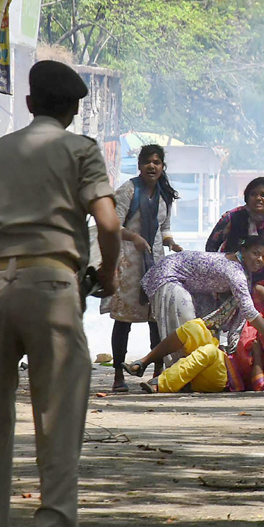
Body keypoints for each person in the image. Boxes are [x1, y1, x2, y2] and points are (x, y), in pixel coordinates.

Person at [0, 59, 121, 527]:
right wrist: (108, 274)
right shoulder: (80, 150)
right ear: (74, 109)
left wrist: (1, 248)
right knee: (58, 419)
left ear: (27, 104)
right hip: (53, 286)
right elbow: (108, 222)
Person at [104, 144, 183, 392]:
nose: (152, 166)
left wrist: (171, 241)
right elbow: (112, 225)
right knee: (123, 320)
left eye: (157, 162)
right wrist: (134, 237)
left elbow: (165, 226)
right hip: (128, 263)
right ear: (139, 165)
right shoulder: (128, 190)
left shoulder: (164, 194)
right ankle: (119, 375)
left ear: (162, 167)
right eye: (148, 161)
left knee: (156, 319)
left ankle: (158, 372)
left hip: (155, 262)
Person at [141, 236, 264, 353]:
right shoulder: (235, 272)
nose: (260, 259)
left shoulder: (242, 269)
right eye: (256, 253)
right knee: (187, 327)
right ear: (243, 251)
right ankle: (172, 373)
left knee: (198, 329)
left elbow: (249, 298)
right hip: (167, 274)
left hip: (186, 283)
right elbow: (249, 311)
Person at [126, 310, 264, 393]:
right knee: (194, 327)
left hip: (226, 379)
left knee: (210, 352)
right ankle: (144, 362)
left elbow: (259, 384)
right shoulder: (263, 325)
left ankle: (161, 384)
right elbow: (258, 289)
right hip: (223, 358)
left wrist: (257, 354)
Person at [206, 177, 264, 288]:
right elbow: (211, 247)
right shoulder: (232, 218)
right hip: (228, 276)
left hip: (260, 282)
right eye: (253, 194)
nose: (258, 198)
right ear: (247, 198)